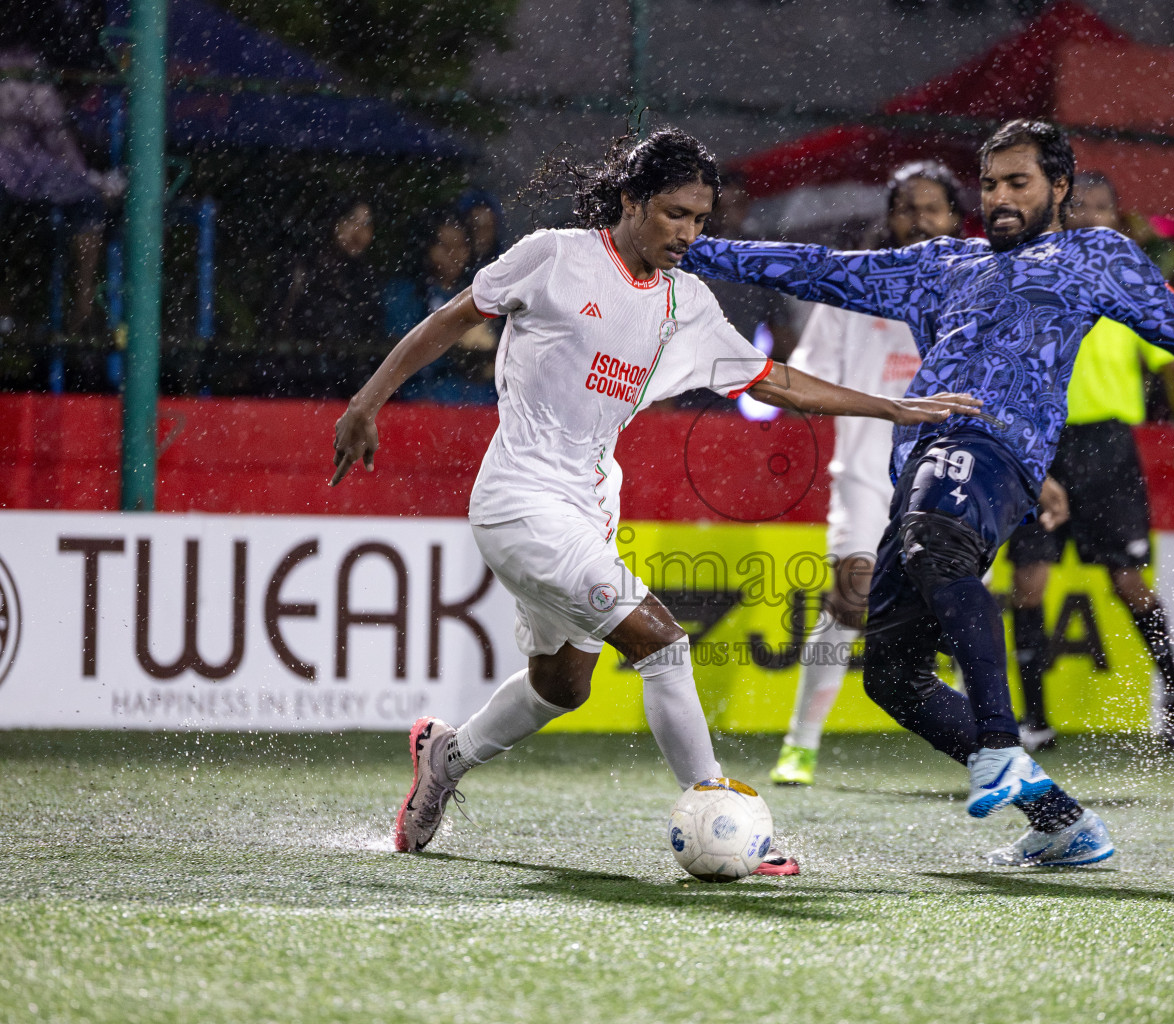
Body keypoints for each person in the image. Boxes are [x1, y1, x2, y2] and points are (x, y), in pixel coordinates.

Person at [682, 119, 1174, 868]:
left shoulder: (1093, 255)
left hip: (994, 449)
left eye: (1017, 182)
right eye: (990, 183)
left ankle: (1001, 743)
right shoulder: (943, 264)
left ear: (1059, 188)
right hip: (924, 462)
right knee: (893, 678)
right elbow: (812, 266)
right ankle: (1063, 824)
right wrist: (689, 247)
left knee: (937, 544)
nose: (999, 197)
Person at [329, 128, 979, 874]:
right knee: (663, 642)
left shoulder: (685, 301)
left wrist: (890, 408)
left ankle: (447, 756)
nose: (689, 233)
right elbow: (453, 318)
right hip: (517, 500)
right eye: (674, 214)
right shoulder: (555, 256)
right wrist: (367, 402)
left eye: (701, 219)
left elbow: (773, 380)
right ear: (631, 202)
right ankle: (722, 813)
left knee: (562, 685)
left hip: (589, 503)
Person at [769, 161, 966, 787]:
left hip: (945, 476)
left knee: (949, 607)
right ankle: (800, 743)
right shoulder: (856, 288)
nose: (918, 219)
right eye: (907, 207)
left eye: (931, 207)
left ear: (956, 218)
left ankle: (981, 744)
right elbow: (804, 377)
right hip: (863, 472)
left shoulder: (975, 293)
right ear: (890, 216)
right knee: (850, 599)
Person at [1005, 170, 1174, 753]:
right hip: (1041, 443)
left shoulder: (1133, 285)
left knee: (1129, 583)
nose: (1091, 215)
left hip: (1108, 451)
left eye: (1102, 207)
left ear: (1118, 219)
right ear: (1063, 214)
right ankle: (1035, 721)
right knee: (1029, 583)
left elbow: (1171, 362)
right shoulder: (1036, 277)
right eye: (1081, 207)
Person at [276, 196, 385, 398]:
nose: (358, 232)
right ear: (335, 223)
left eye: (367, 224)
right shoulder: (303, 268)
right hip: (300, 383)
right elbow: (279, 327)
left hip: (349, 387)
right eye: (351, 220)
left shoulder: (366, 279)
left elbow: (371, 336)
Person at [385, 208, 497, 404]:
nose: (454, 255)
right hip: (420, 402)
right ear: (427, 248)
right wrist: (455, 340)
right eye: (445, 247)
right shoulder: (405, 294)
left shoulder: (479, 294)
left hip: (478, 406)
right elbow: (400, 351)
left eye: (461, 246)